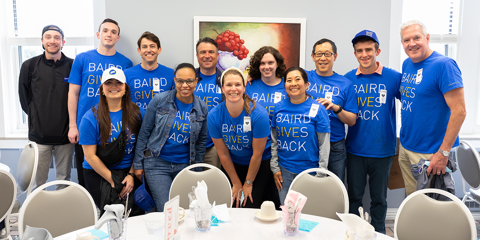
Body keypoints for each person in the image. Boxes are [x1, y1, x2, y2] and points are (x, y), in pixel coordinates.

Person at [398, 20, 466, 196]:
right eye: (406, 40)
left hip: (431, 153)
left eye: (416, 38)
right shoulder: (407, 64)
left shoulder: (444, 65)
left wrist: (443, 153)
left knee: (431, 208)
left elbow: (459, 111)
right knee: (413, 201)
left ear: (427, 38)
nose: (411, 44)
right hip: (407, 147)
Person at [344, 30, 401, 233]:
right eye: (359, 50)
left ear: (377, 51)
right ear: (355, 53)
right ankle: (354, 231)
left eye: (369, 49)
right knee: (354, 196)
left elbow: (414, 103)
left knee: (379, 198)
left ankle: (378, 233)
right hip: (355, 149)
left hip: (383, 149)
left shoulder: (394, 77)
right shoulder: (348, 79)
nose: (364, 54)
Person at [133, 63, 208, 211]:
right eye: (180, 81)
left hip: (185, 165)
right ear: (174, 80)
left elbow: (200, 143)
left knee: (188, 209)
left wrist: (196, 170)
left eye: (189, 81)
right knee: (167, 210)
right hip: (157, 164)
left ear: (196, 81)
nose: (185, 85)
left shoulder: (202, 108)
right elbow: (144, 133)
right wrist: (137, 164)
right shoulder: (160, 100)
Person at [68, 18, 133, 188]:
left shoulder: (125, 63)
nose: (109, 35)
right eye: (105, 31)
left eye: (113, 32)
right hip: (87, 125)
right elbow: (73, 93)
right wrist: (73, 125)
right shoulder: (82, 59)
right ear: (98, 34)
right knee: (87, 171)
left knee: (113, 169)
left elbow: (125, 94)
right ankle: (91, 208)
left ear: (118, 38)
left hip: (114, 127)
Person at [79, 67, 143, 212]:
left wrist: (132, 174)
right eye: (109, 83)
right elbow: (90, 156)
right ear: (102, 88)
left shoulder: (138, 113)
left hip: (129, 170)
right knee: (112, 214)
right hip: (99, 172)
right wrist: (114, 182)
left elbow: (141, 147)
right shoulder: (90, 118)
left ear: (125, 88)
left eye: (118, 83)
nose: (114, 86)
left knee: (134, 214)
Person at [18, 25, 74, 190]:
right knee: (37, 183)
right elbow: (24, 98)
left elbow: (77, 96)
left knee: (64, 181)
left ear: (63, 42)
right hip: (39, 136)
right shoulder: (29, 66)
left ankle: (62, 214)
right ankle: (36, 214)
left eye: (57, 37)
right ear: (42, 41)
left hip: (65, 137)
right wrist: (37, 117)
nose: (52, 41)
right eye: (48, 37)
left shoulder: (73, 65)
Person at [208, 67, 272, 208]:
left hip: (259, 163)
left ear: (244, 87)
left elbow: (257, 154)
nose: (233, 89)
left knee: (249, 205)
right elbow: (223, 153)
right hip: (233, 163)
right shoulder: (214, 115)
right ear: (222, 88)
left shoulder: (258, 114)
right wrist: (236, 183)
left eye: (237, 84)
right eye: (229, 85)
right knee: (233, 205)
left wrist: (248, 183)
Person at [270, 67, 330, 204]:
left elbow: (324, 144)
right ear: (285, 85)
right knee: (287, 214)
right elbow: (274, 141)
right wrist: (275, 168)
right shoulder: (278, 107)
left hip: (310, 171)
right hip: (284, 170)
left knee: (308, 215)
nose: (293, 83)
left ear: (307, 84)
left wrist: (321, 173)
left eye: (298, 79)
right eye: (289, 80)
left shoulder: (318, 109)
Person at [307, 38, 358, 183]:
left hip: (335, 146)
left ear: (335, 56)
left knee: (335, 188)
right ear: (313, 57)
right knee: (308, 187)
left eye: (327, 54)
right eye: (319, 54)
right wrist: (253, 76)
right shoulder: (304, 77)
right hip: (308, 142)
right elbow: (277, 79)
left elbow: (352, 120)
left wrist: (336, 108)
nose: (323, 58)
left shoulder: (346, 84)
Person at [125, 31, 174, 110]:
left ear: (159, 50)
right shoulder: (127, 74)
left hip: (162, 121)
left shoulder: (171, 73)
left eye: (152, 46)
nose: (148, 50)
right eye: (144, 47)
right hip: (136, 121)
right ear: (139, 51)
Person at [194, 37, 223, 169]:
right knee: (190, 184)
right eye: (202, 52)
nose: (207, 56)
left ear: (217, 55)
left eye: (211, 52)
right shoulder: (187, 79)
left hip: (215, 145)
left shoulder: (225, 80)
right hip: (189, 143)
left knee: (214, 185)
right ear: (197, 56)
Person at [246, 46, 287, 120]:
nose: (266, 67)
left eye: (270, 63)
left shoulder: (287, 86)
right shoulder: (248, 85)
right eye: (262, 63)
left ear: (277, 64)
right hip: (254, 130)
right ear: (258, 65)